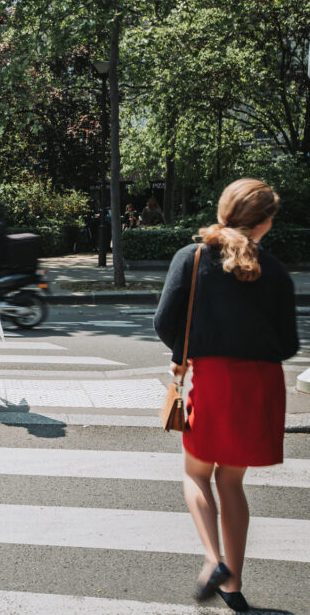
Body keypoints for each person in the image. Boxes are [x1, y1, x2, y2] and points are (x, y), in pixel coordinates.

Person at [154, 179, 298, 612]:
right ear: (266, 222)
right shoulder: (274, 269)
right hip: (261, 383)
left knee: (196, 474)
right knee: (232, 481)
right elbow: (289, 343)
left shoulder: (193, 257)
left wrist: (185, 353)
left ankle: (213, 559)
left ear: (224, 209)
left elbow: (165, 321)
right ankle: (232, 586)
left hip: (214, 378)